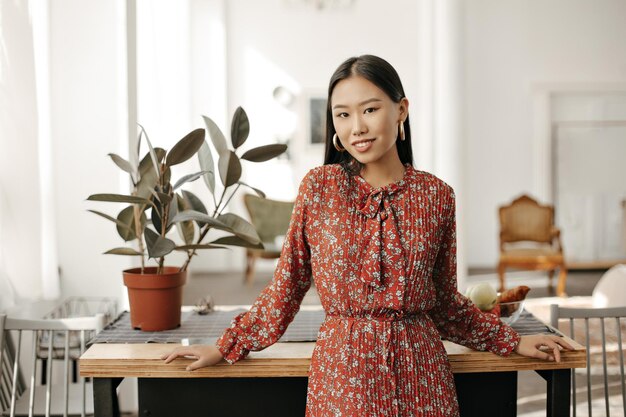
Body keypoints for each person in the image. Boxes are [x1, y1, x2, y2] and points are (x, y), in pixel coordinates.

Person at [162, 55, 572, 416]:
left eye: (370, 109)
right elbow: (287, 286)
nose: (356, 126)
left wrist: (512, 340)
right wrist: (227, 345)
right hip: (343, 374)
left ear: (401, 110)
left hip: (421, 373)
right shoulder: (319, 188)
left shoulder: (436, 196)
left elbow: (445, 303)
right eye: (342, 114)